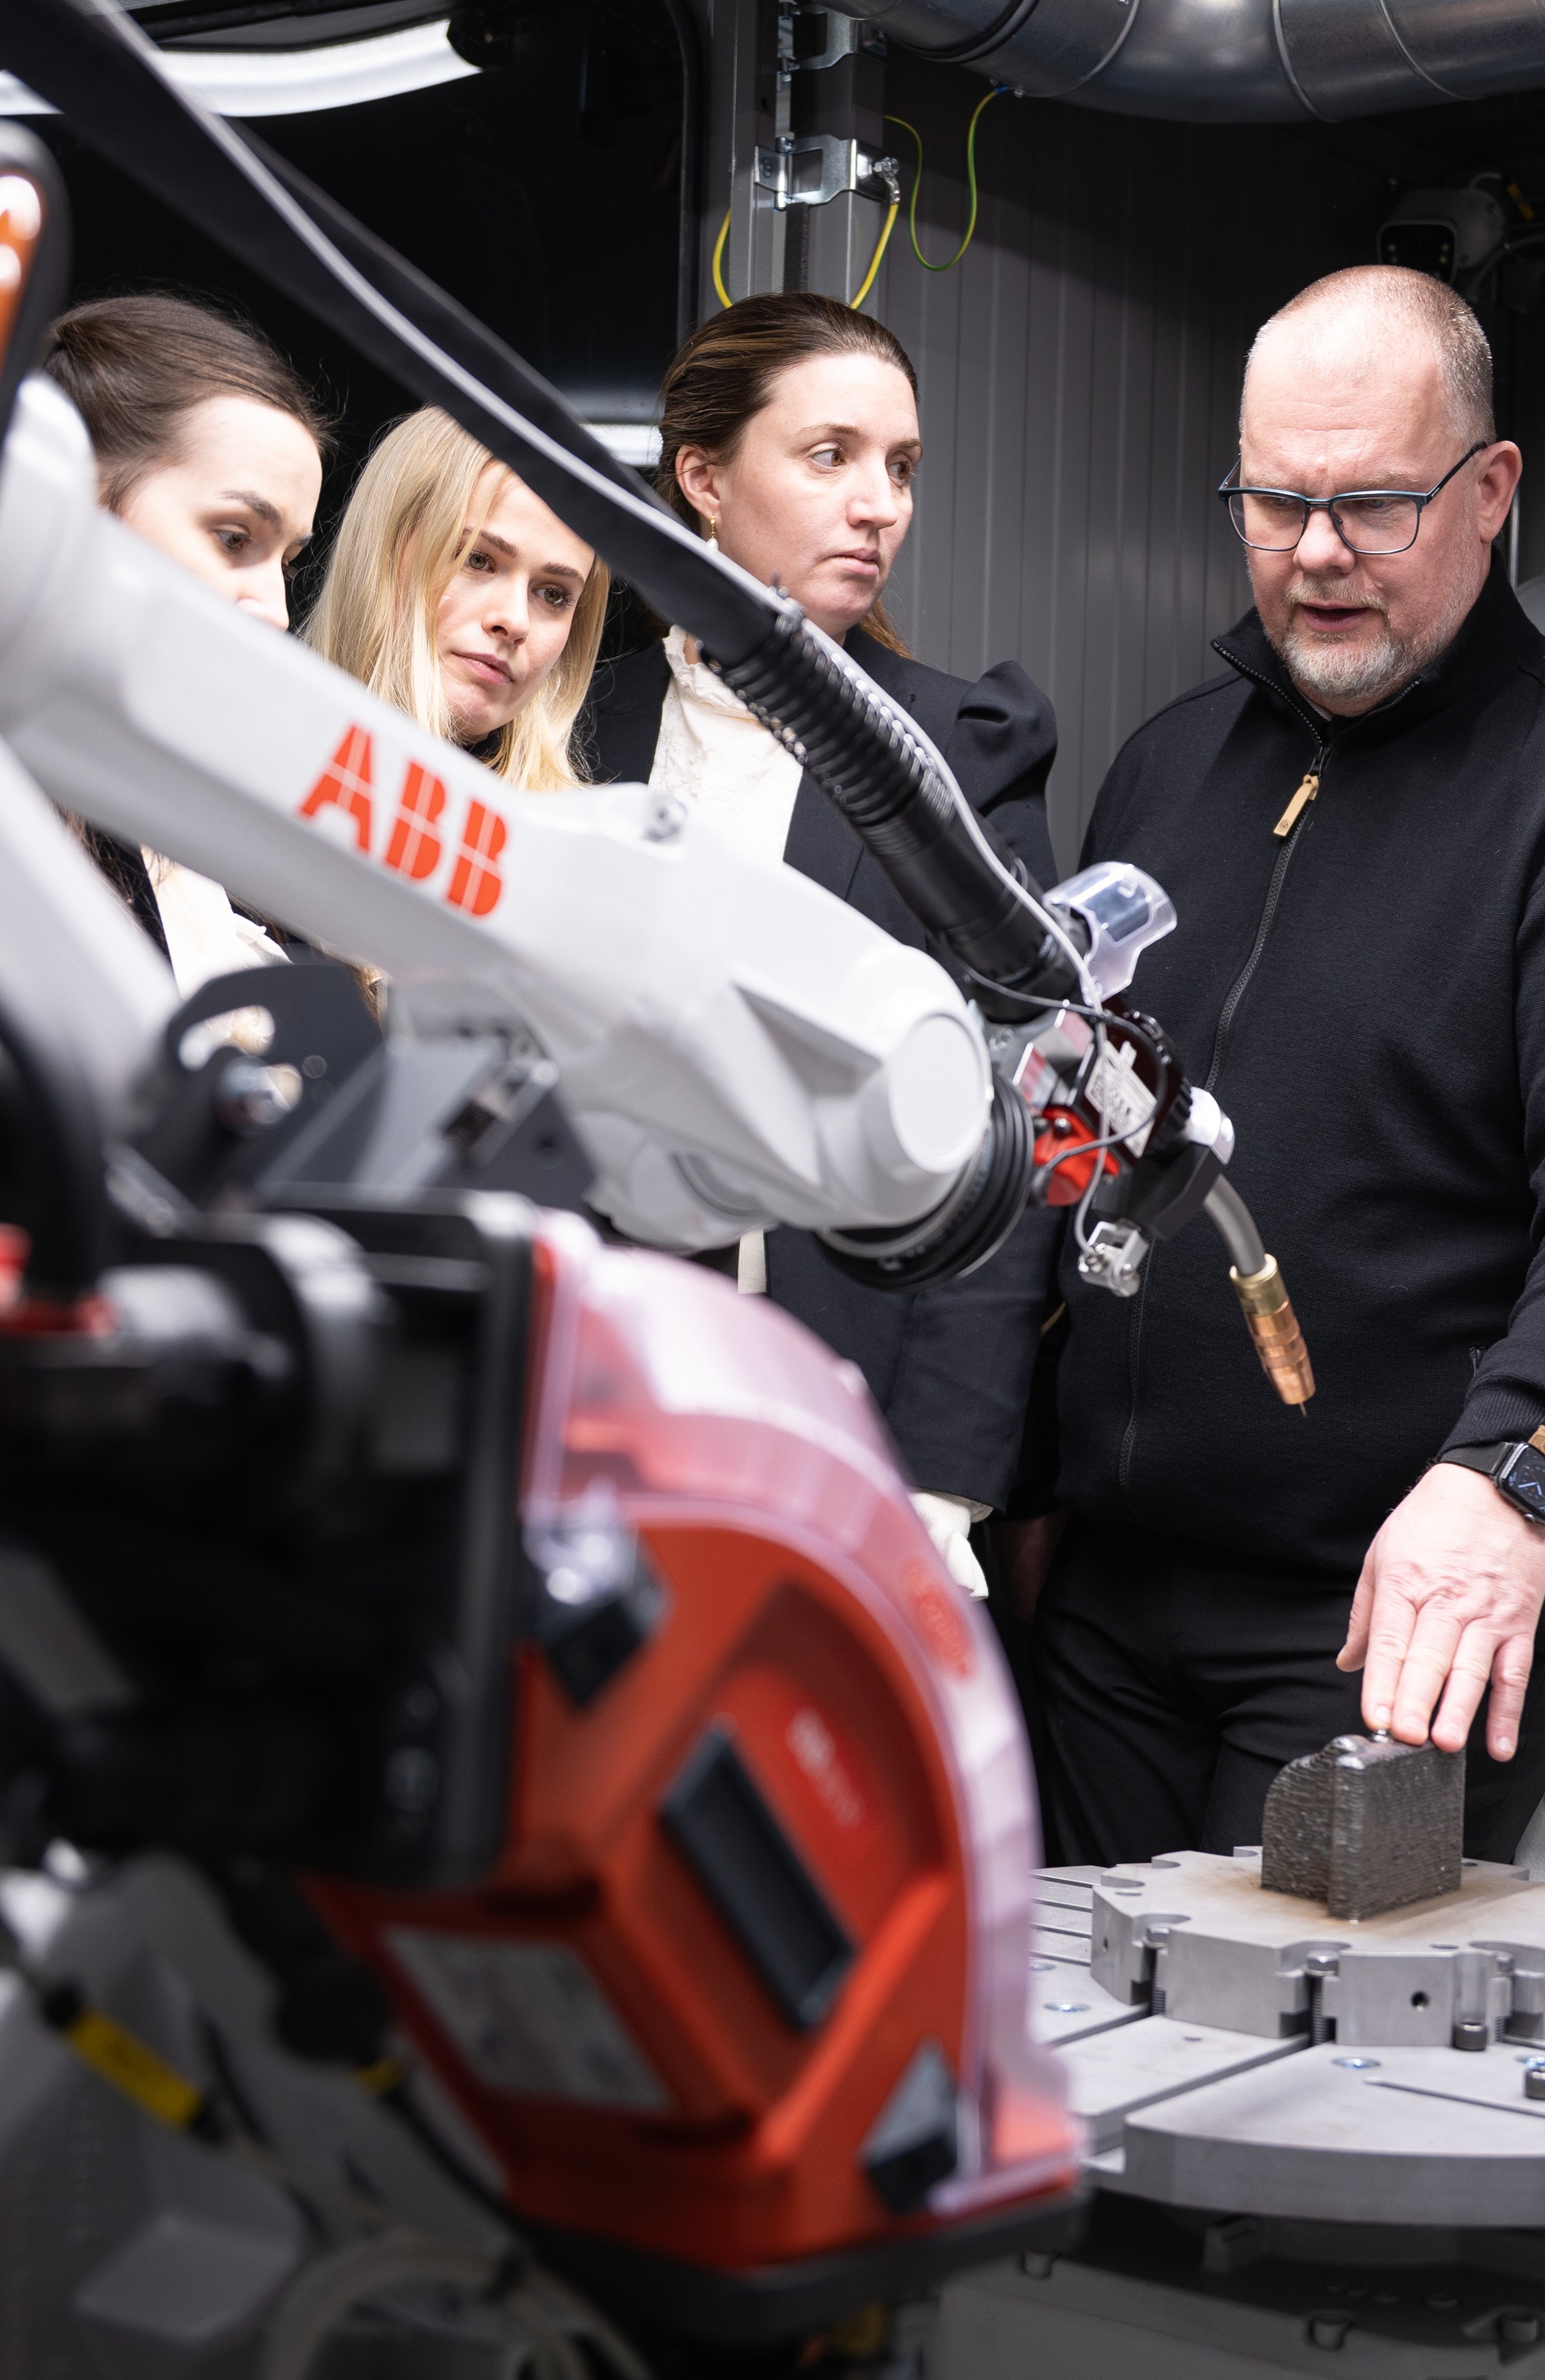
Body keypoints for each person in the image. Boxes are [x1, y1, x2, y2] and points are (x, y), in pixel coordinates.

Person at [1027, 265, 1545, 1865]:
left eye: (1374, 504)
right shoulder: (1168, 769)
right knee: (1064, 1998)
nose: (1318, 552)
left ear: (1491, 492)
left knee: (1285, 2013)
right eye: (1275, 503)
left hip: (1396, 1599)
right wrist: (1012, 1475)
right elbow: (1082, 1135)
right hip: (1117, 1591)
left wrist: (1511, 1473)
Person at [575, 293, 1060, 1598]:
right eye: (830, 456)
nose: (879, 505)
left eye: (901, 468)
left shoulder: (957, 753)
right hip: (598, 1388)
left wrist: (940, 1485)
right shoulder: (580, 726)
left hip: (842, 1401)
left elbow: (1008, 1128)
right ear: (702, 478)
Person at [41, 292, 332, 991]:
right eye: (234, 538)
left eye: (288, 562)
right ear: (72, 498)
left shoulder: (192, 822)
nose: (275, 612)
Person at [303, 407, 611, 790]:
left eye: (553, 595)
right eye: (476, 560)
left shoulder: (566, 826)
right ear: (384, 548)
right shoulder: (252, 747)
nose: (515, 621)